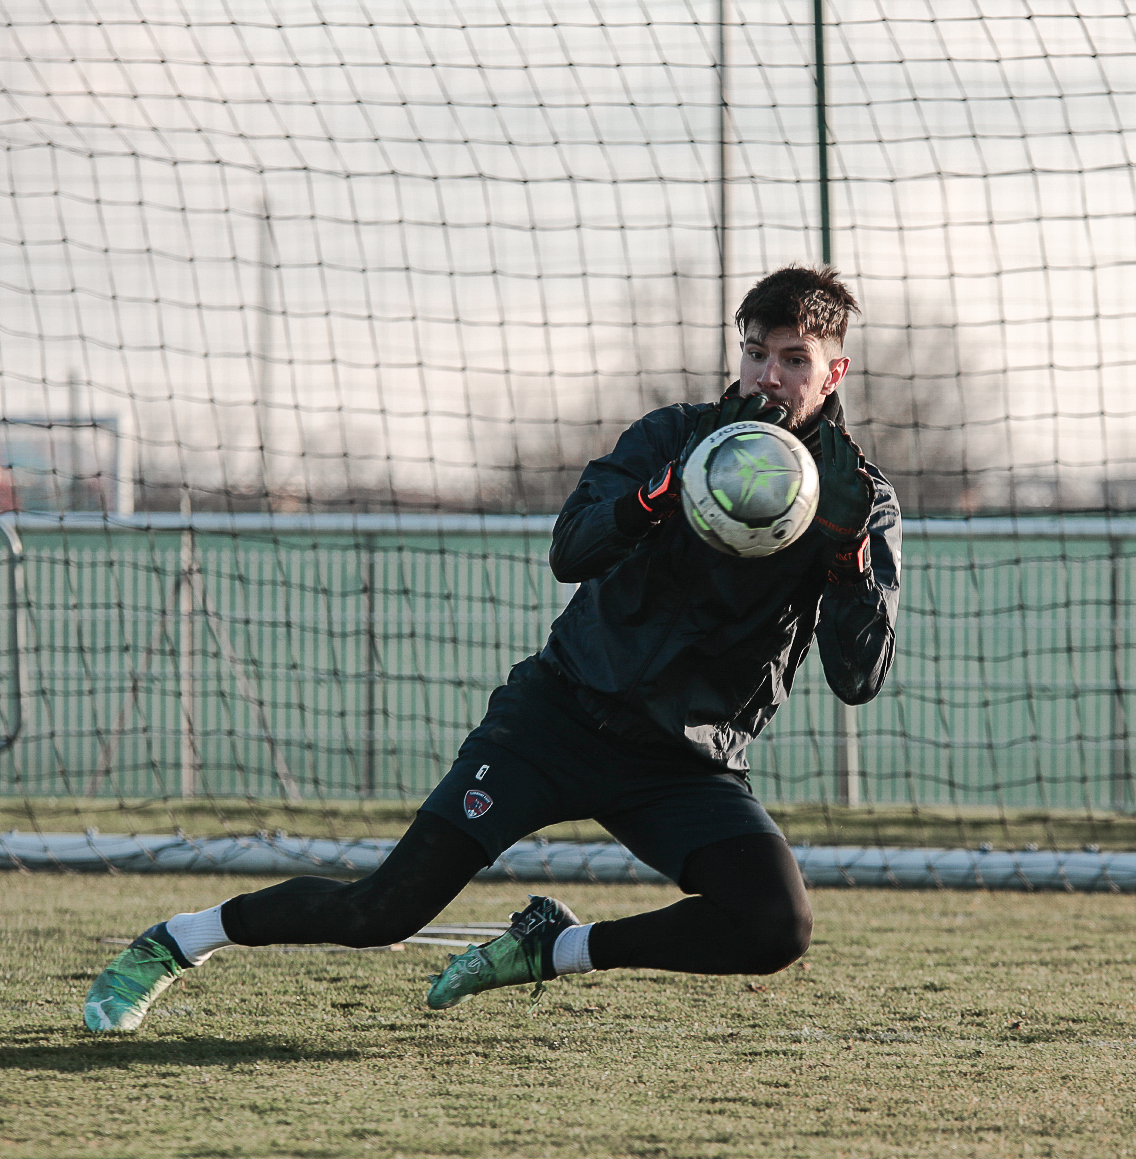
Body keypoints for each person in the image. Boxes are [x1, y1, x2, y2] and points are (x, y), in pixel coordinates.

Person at [83, 265, 901, 1032]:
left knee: (774, 927)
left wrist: (848, 573)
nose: (767, 375)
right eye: (756, 352)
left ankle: (555, 948)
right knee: (381, 913)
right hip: (556, 721)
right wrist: (655, 499)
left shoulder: (858, 502)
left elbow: (858, 678)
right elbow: (569, 553)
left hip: (684, 763)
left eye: (794, 359)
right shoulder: (674, 439)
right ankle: (178, 939)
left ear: (835, 373)